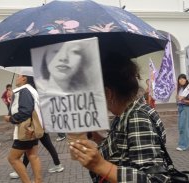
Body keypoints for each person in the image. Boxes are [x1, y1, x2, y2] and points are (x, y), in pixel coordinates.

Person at [69, 54, 169, 182]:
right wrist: (100, 140)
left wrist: (100, 165)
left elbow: (154, 180)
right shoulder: (125, 114)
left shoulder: (137, 117)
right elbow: (124, 151)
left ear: (108, 93)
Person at [4, 75, 42, 183]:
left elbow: (25, 112)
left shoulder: (24, 91)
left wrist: (10, 118)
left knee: (12, 158)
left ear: (24, 78)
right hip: (33, 128)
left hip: (25, 129)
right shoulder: (31, 90)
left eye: (19, 76)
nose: (16, 78)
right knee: (32, 155)